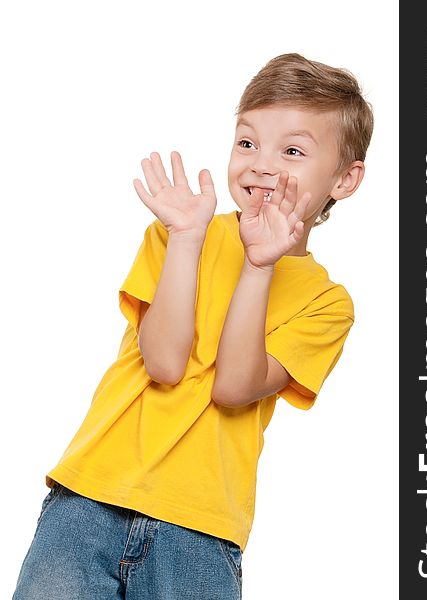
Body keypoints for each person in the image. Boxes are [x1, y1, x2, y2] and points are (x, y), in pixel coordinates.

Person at [12, 52, 373, 599]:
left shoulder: (327, 303)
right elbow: (163, 362)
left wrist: (259, 266)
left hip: (200, 528)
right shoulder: (180, 232)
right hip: (88, 500)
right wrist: (185, 239)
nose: (260, 164)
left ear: (345, 180)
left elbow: (233, 389)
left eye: (293, 151)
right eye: (247, 142)